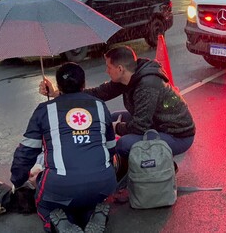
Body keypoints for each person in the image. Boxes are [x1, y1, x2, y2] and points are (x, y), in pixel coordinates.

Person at [40, 45, 196, 169]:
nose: (106, 71)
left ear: (120, 68)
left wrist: (116, 128)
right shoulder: (130, 76)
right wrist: (57, 94)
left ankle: (144, 172)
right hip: (157, 124)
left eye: (109, 67)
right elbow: (98, 93)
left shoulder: (147, 85)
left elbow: (140, 127)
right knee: (112, 117)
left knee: (124, 143)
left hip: (177, 135)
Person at [13, 62, 117, 233]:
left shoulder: (44, 110)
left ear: (58, 86)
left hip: (60, 186)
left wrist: (17, 180)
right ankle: (94, 213)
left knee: (44, 203)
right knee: (87, 196)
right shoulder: (99, 105)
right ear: (84, 84)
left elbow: (26, 152)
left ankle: (59, 222)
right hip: (103, 182)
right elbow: (111, 147)